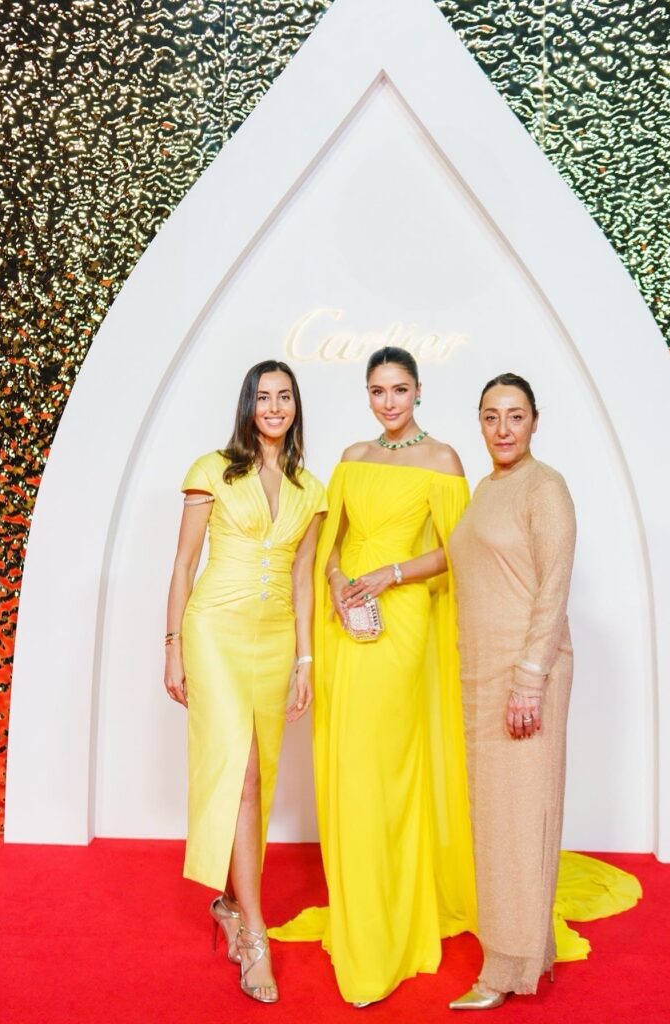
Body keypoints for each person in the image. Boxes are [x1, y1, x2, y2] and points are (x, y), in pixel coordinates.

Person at [270, 347, 476, 1005]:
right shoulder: (353, 455)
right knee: (346, 766)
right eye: (378, 391)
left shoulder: (442, 459)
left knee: (385, 765)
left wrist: (390, 575)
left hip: (400, 621)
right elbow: (330, 542)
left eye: (399, 390)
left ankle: (392, 919)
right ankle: (359, 907)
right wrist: (335, 580)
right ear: (367, 394)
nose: (389, 402)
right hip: (343, 621)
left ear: (419, 391)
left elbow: (457, 551)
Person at [163, 360, 326, 1004]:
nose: (274, 407)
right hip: (214, 631)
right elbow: (183, 564)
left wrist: (305, 661)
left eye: (284, 396)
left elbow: (304, 578)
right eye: (263, 397)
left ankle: (231, 905)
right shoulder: (212, 471)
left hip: (275, 638)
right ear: (248, 406)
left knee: (260, 773)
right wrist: (173, 647)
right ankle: (255, 930)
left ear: (296, 406)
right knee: (242, 770)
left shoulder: (311, 488)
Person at [447, 372, 576, 1009]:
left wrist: (529, 679)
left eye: (515, 416)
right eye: (491, 416)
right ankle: (525, 951)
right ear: (479, 422)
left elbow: (553, 589)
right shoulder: (485, 489)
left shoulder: (544, 487)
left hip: (526, 676)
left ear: (535, 421)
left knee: (520, 819)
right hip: (482, 673)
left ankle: (503, 968)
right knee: (497, 819)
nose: (503, 429)